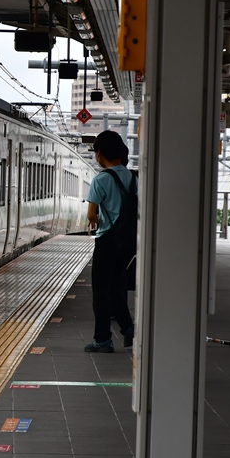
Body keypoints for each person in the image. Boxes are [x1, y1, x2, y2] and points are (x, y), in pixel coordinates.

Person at [84, 130, 136, 353]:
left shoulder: (101, 179)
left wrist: (98, 220)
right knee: (117, 286)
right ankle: (128, 328)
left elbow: (91, 215)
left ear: (99, 154)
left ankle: (103, 339)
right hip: (128, 241)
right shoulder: (134, 178)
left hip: (107, 240)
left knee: (101, 291)